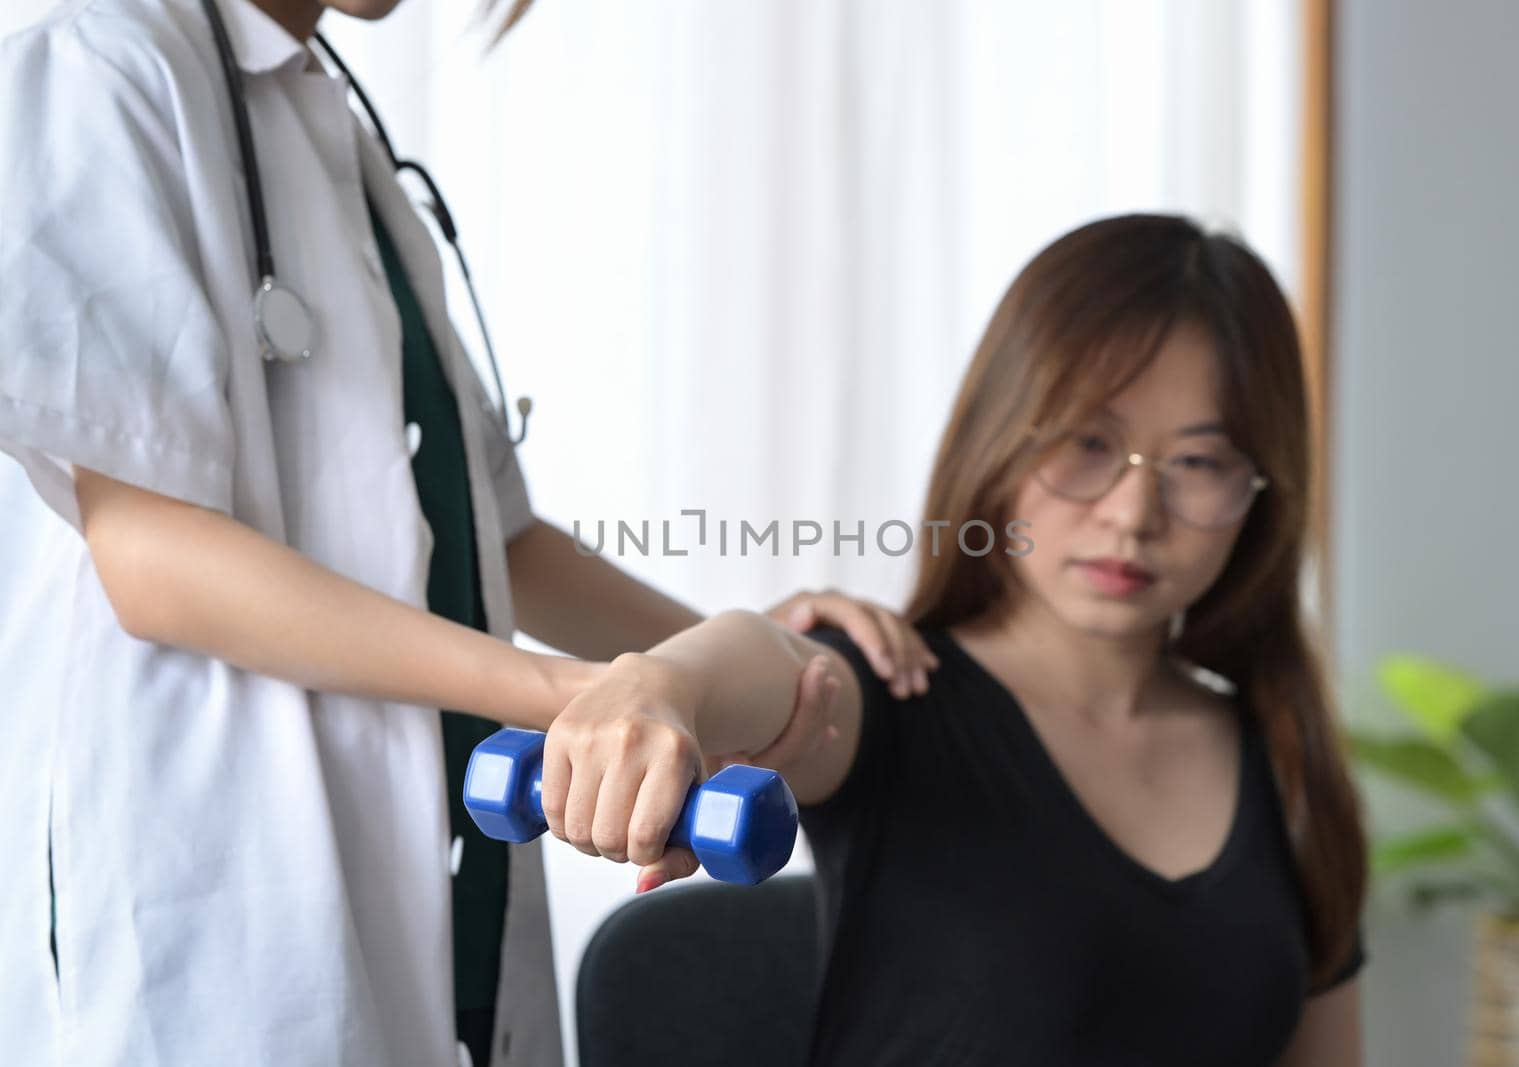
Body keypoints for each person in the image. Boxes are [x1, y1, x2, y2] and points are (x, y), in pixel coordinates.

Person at [0, 1, 937, 1064]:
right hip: (208, 892)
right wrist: (585, 696)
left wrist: (751, 649)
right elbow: (155, 557)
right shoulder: (94, 68)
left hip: (416, 878)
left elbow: (497, 535)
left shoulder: (331, 122)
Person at [534, 215, 1370, 1065]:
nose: (1131, 514)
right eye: (1087, 442)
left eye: (1197, 463)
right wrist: (660, 687)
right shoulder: (898, 691)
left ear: (1262, 489)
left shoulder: (1289, 760)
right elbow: (769, 658)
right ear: (1001, 437)